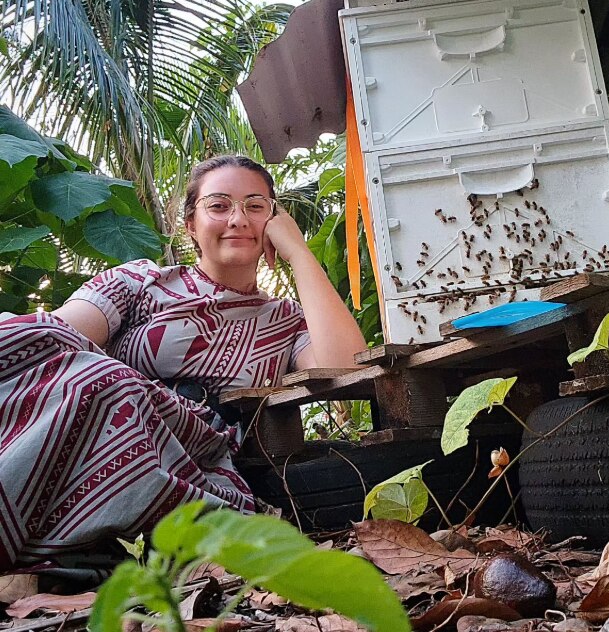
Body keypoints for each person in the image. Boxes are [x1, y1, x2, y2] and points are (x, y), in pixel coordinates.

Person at [0, 155, 366, 579]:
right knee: (92, 376)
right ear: (191, 224)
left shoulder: (285, 320)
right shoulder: (141, 283)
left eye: (255, 206)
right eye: (219, 205)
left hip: (196, 461)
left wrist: (299, 252)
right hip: (96, 431)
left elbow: (344, 370)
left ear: (274, 219)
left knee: (106, 383)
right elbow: (52, 336)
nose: (238, 219)